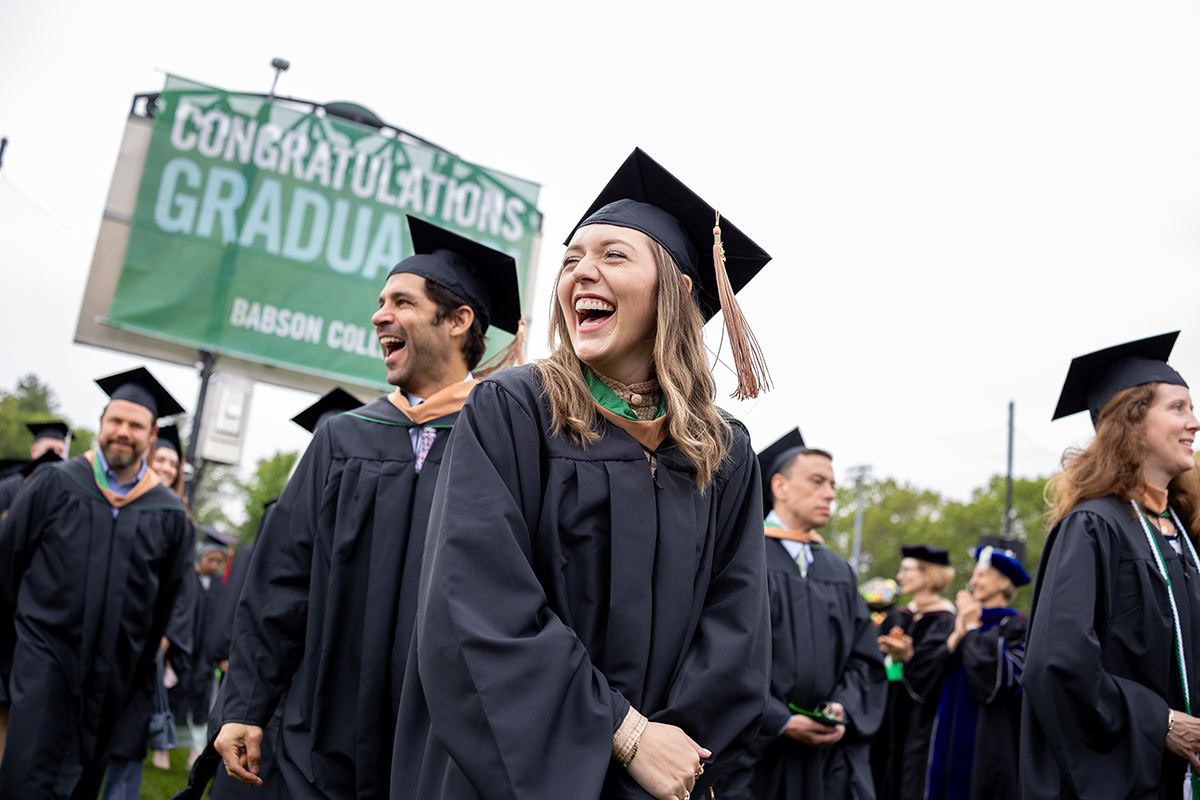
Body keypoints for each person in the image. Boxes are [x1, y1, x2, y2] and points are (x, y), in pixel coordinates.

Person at [388, 148, 772, 800]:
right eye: (571, 261)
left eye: (613, 255)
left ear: (678, 289)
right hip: (513, 773)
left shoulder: (725, 452)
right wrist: (621, 736)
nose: (580, 273)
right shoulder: (512, 409)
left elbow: (737, 637)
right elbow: (478, 601)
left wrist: (670, 752)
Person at [212, 216, 523, 800]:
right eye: (380, 301)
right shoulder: (343, 438)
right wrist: (245, 706)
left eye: (401, 302)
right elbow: (281, 581)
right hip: (322, 729)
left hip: (442, 742)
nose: (379, 315)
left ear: (457, 322)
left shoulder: (504, 442)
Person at [1022, 331, 1200, 800]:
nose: (1195, 423)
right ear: (1133, 421)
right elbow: (1058, 664)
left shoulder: (1184, 532)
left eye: (1193, 408)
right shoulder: (1093, 526)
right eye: (1178, 407)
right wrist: (1157, 722)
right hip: (1133, 774)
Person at [0, 367, 192, 799]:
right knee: (24, 779)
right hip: (43, 662)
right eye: (115, 421)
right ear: (102, 422)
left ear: (152, 434)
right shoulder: (55, 483)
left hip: (112, 676)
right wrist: (17, 654)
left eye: (135, 425)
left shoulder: (169, 514)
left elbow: (163, 605)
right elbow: (8, 566)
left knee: (83, 782)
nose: (123, 432)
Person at [721, 428, 887, 800]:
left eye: (832, 483)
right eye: (817, 481)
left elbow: (865, 658)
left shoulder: (838, 570)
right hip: (757, 758)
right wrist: (780, 720)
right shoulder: (745, 558)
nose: (830, 493)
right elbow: (726, 654)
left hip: (827, 762)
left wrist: (842, 707)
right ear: (779, 486)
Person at [907, 542, 1027, 800]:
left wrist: (972, 630)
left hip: (990, 746)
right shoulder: (956, 623)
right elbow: (924, 682)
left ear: (1004, 582)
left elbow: (995, 685)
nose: (973, 581)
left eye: (982, 574)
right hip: (941, 745)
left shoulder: (1016, 626)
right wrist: (959, 634)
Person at [872, 546, 957, 800]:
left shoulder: (946, 621)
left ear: (928, 575)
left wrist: (909, 658)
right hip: (886, 715)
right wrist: (886, 652)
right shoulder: (897, 616)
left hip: (921, 721)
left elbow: (938, 673)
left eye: (906, 570)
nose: (899, 577)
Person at [0, 421, 70, 514]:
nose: (55, 455)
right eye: (49, 450)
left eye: (60, 451)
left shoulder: (68, 491)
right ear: (34, 451)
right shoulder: (8, 488)